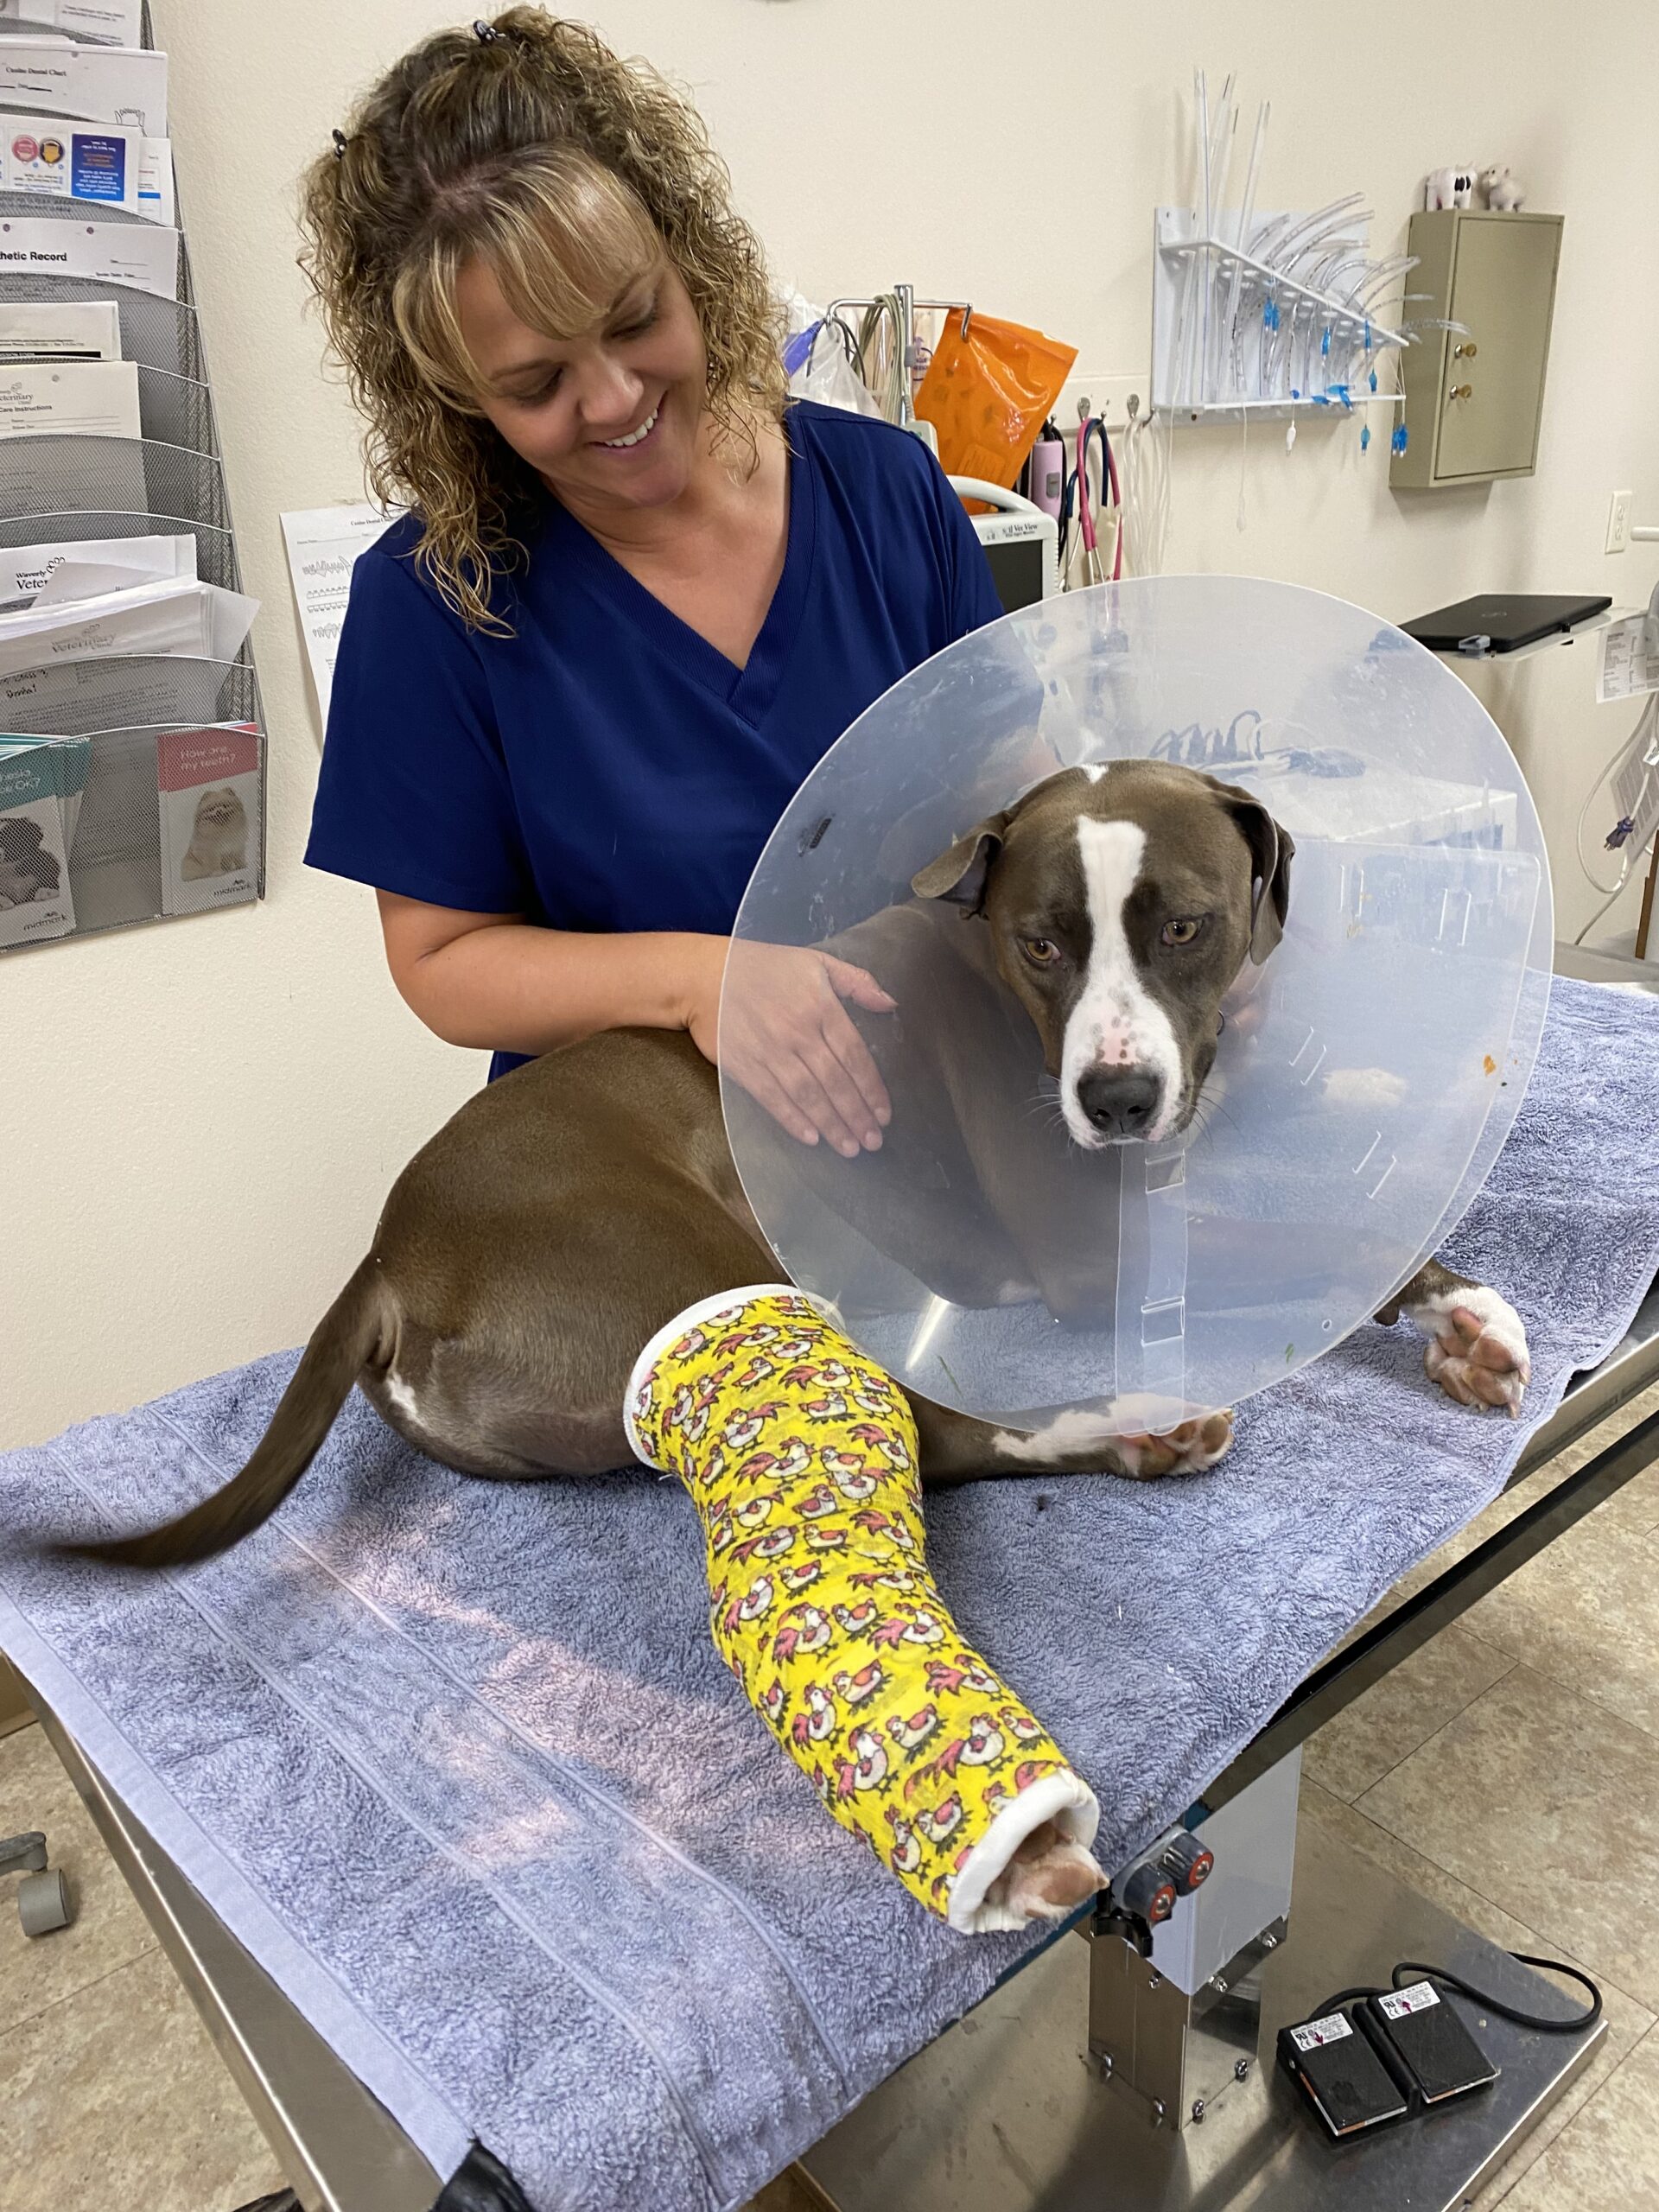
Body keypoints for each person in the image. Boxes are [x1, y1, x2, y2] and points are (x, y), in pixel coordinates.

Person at [301, 9, 1003, 1159]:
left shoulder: (886, 492)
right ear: (456, 394)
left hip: (929, 1142)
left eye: (637, 320)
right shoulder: (437, 602)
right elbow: (441, 964)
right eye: (537, 383)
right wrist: (697, 980)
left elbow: (1014, 810)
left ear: (689, 258)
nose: (618, 401)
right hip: (649, 1174)